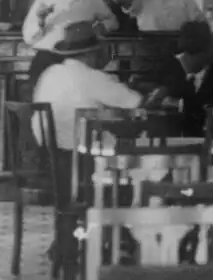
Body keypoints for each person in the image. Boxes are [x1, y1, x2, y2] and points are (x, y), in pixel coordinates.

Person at [31, 20, 144, 182]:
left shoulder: (49, 73)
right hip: (82, 156)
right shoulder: (92, 76)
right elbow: (136, 101)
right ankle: (120, 195)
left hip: (48, 151)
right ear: (90, 54)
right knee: (129, 145)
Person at [21, 0, 115, 89]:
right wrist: (41, 21)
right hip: (48, 58)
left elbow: (112, 20)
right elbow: (28, 38)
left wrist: (99, 28)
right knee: (39, 95)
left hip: (80, 58)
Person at [157, 20, 213, 136]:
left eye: (192, 56)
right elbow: (163, 98)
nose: (184, 60)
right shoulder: (172, 67)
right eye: (183, 55)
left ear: (207, 53)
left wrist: (180, 104)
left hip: (210, 137)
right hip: (174, 137)